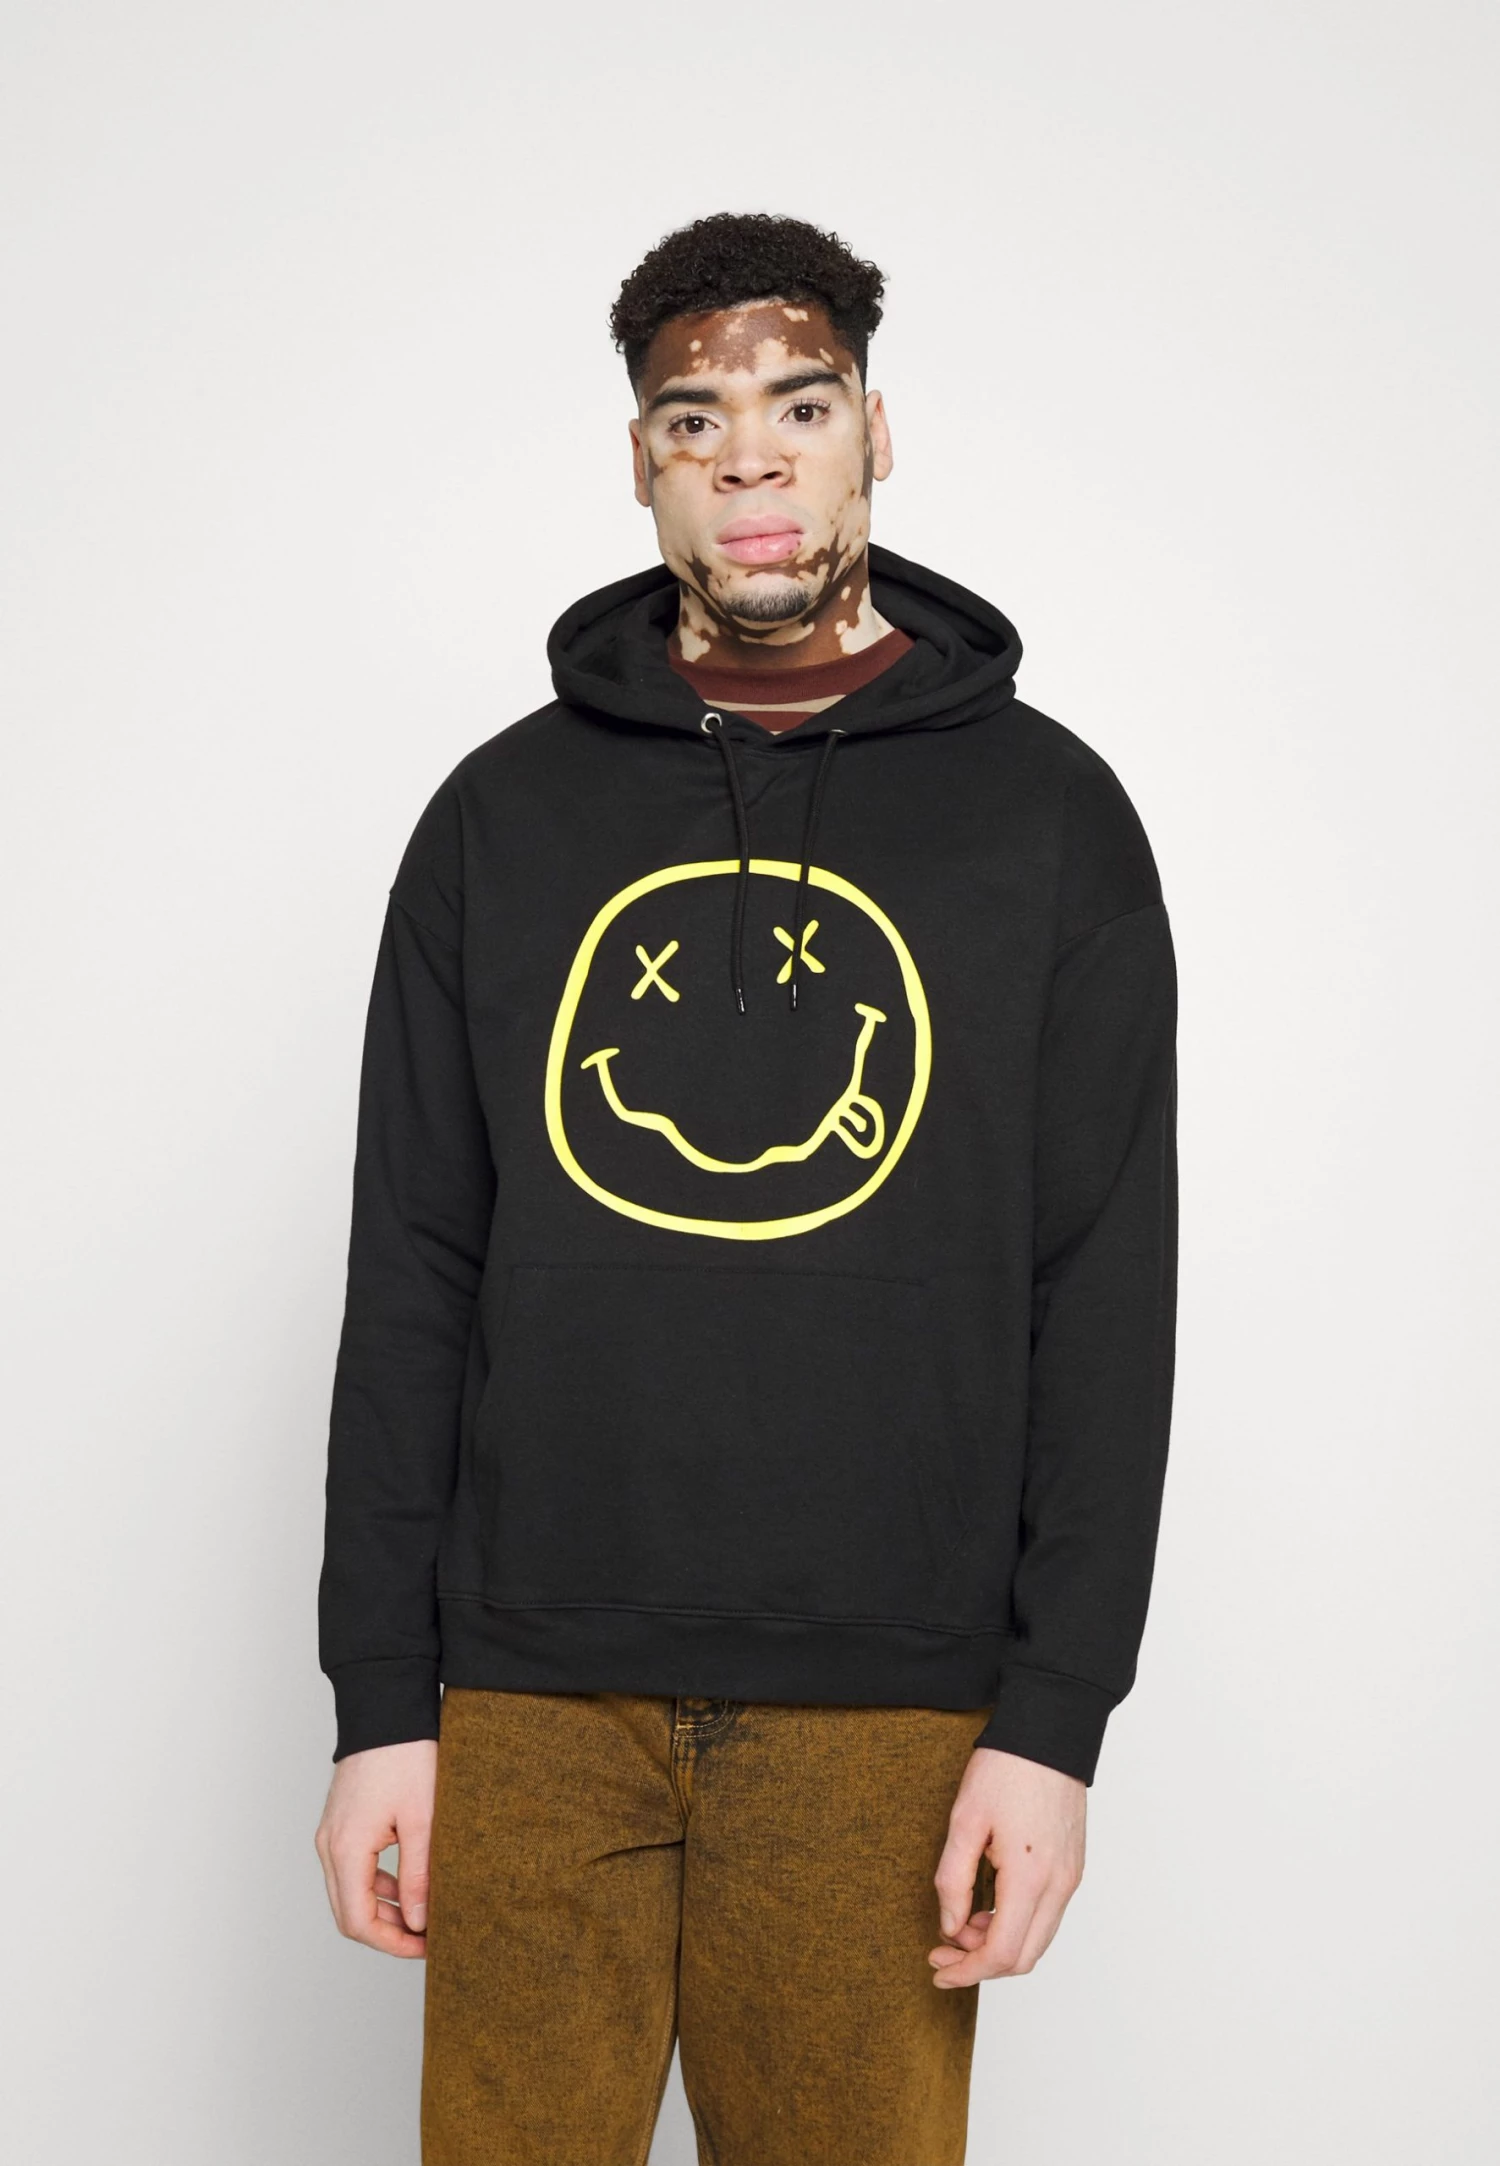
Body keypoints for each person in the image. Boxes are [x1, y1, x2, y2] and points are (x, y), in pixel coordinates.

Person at [314, 210, 1178, 2166]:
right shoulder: (502, 818)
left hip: (890, 1708)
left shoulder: (1047, 821)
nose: (752, 459)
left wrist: (1053, 1718)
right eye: (695, 420)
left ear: (878, 430)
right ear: (641, 460)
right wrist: (381, 1700)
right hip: (530, 1699)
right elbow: (416, 1267)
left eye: (801, 404)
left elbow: (1106, 1285)